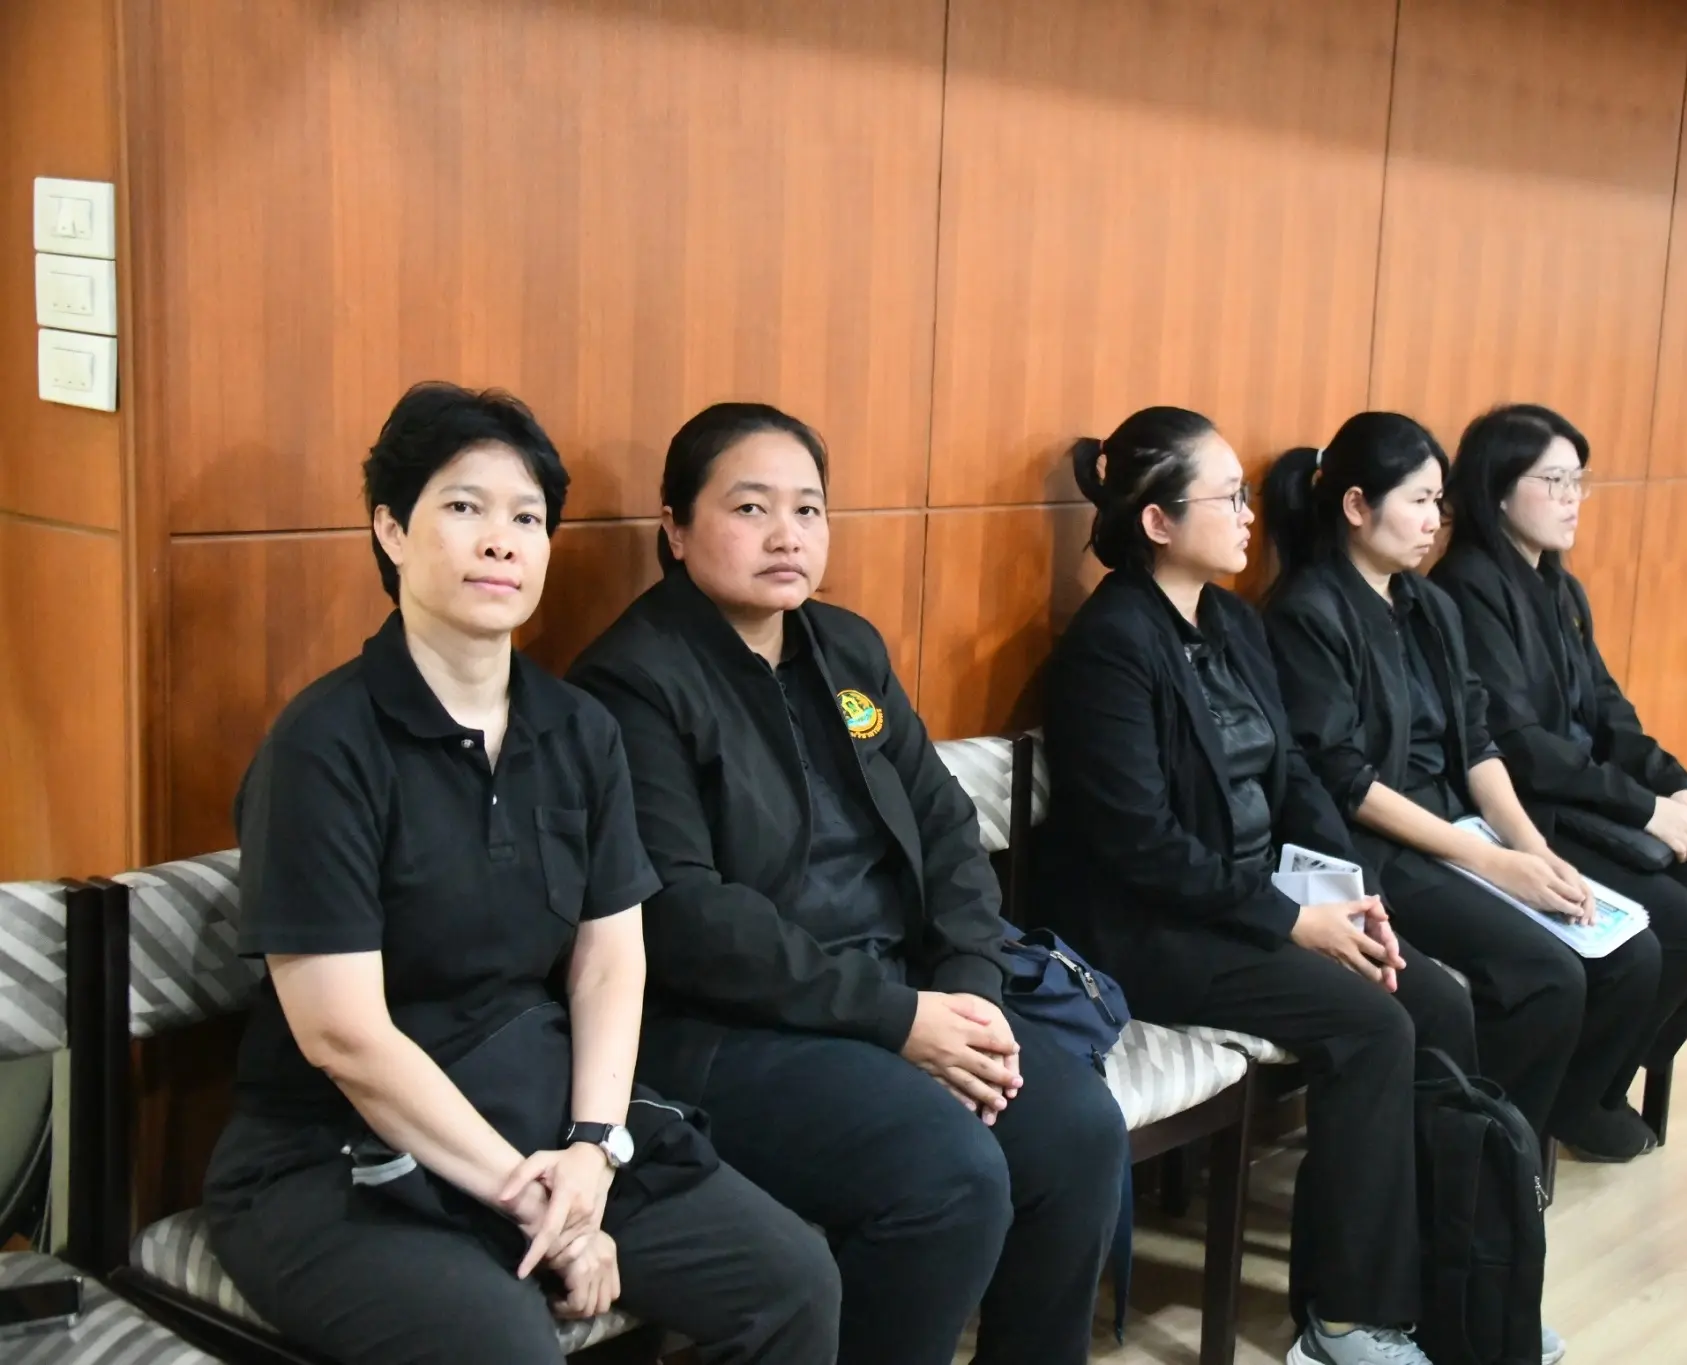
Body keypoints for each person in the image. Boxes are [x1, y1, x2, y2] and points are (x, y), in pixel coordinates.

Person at [202, 383, 839, 1365]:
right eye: (465, 507)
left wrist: (593, 1148)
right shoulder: (323, 746)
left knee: (790, 1281)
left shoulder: (579, 729)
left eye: (527, 518)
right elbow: (344, 1037)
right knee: (504, 1348)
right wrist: (534, 1198)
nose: (501, 542)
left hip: (540, 1117)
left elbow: (609, 961)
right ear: (391, 530)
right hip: (335, 1154)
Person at [567, 403, 1126, 1365]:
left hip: (902, 991)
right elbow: (686, 916)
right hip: (732, 1028)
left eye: (809, 509)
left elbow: (947, 827)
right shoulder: (631, 681)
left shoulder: (845, 647)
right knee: (948, 1175)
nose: (787, 535)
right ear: (675, 526)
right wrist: (900, 1019)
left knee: (1077, 1129)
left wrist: (969, 996)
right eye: (751, 508)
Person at [1036, 405, 1522, 1365]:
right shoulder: (1110, 646)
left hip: (1257, 899)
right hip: (1150, 929)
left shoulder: (1229, 619)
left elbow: (1295, 773)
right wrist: (1293, 920)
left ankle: (1445, 1281)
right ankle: (1344, 1318)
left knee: (1432, 995)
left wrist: (1349, 890)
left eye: (1246, 496)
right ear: (1159, 521)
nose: (1249, 515)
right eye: (1228, 498)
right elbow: (1141, 845)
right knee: (1371, 1024)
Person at [1259, 414, 1663, 1163]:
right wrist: (1490, 862)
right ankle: (1472, 1168)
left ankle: (1506, 1156)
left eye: (1439, 502)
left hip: (1459, 831)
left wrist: (1533, 850)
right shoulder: (1308, 612)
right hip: (1381, 846)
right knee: (1546, 977)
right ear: (1356, 506)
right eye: (1418, 501)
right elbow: (1346, 781)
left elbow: (1478, 744)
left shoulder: (1428, 605)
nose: (1434, 521)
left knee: (1625, 952)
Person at [1433, 404, 1687, 1136]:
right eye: (1554, 481)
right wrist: (1644, 809)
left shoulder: (1559, 585)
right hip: (1530, 813)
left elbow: (1608, 710)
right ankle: (1577, 1096)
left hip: (1592, 800)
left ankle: (1606, 1072)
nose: (1572, 499)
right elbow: (1522, 746)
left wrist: (1672, 784)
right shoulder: (1466, 586)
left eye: (1578, 482)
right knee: (1685, 929)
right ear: (1498, 490)